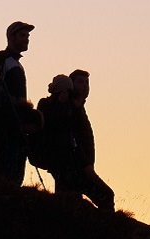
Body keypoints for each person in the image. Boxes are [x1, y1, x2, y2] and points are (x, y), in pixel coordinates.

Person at [0, 21, 38, 182]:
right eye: (22, 35)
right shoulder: (4, 62)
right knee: (6, 167)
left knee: (12, 167)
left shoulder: (12, 63)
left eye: (27, 36)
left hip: (13, 121)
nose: (26, 39)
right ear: (11, 37)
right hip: (7, 122)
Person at [68, 69, 115, 212]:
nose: (85, 86)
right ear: (72, 84)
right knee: (106, 195)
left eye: (87, 82)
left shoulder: (79, 108)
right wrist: (85, 165)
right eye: (80, 82)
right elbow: (72, 139)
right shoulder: (70, 109)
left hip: (80, 167)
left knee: (70, 204)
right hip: (75, 168)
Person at [36, 74, 80, 192]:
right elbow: (51, 125)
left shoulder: (68, 107)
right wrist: (60, 104)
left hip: (66, 151)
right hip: (52, 151)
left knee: (68, 183)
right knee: (63, 181)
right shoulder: (45, 104)